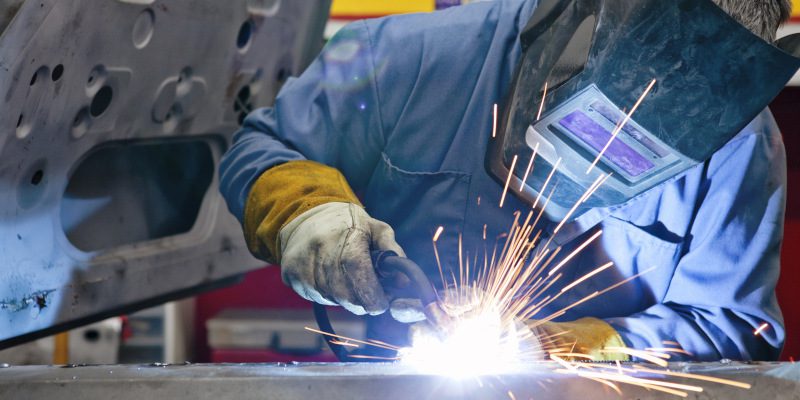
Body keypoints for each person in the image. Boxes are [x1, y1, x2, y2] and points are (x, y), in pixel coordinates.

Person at [219, 0, 793, 361]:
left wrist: (556, 343)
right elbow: (263, 147)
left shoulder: (735, 140)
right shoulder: (403, 58)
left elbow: (725, 322)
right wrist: (306, 211)